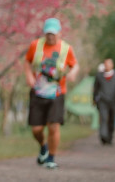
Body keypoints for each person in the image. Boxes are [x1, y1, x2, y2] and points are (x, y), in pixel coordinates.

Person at [24, 18, 79, 170]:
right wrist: (28, 76)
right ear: (44, 33)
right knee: (36, 129)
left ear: (59, 33)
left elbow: (74, 65)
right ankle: (43, 147)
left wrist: (73, 73)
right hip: (38, 92)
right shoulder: (35, 45)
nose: (50, 37)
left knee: (53, 126)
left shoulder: (66, 49)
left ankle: (51, 158)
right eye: (48, 33)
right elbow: (27, 61)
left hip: (57, 93)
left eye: (53, 34)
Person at [93, 58, 115, 145]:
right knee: (103, 118)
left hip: (113, 100)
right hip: (102, 100)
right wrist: (94, 99)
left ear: (112, 65)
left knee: (111, 119)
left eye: (109, 63)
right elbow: (95, 88)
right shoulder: (99, 75)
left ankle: (110, 137)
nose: (107, 65)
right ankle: (103, 135)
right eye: (105, 63)